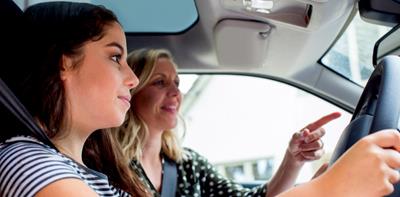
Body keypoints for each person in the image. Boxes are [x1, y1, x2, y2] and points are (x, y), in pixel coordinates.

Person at [108, 48, 349, 196]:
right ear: (132, 91)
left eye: (177, 84)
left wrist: (292, 160)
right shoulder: (109, 165)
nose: (175, 93)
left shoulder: (188, 164)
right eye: (160, 82)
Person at [0, 2, 148, 196]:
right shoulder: (28, 163)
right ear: (65, 64)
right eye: (115, 57)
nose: (134, 80)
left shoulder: (94, 172)